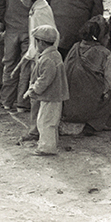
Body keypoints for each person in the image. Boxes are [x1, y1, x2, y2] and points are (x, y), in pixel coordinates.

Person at [63, 16, 111, 132]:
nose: (108, 37)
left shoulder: (75, 47)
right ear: (100, 36)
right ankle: (104, 123)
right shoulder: (104, 53)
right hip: (88, 109)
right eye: (106, 35)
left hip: (67, 108)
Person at [11, 0, 58, 141]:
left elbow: (47, 37)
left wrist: (36, 58)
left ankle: (34, 131)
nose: (21, 1)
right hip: (38, 55)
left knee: (37, 95)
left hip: (42, 57)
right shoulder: (38, 7)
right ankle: (36, 129)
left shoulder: (40, 13)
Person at [23, 24, 69, 156]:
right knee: (50, 121)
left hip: (51, 96)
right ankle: (50, 145)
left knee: (45, 122)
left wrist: (34, 90)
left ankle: (46, 148)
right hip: (54, 96)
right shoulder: (54, 55)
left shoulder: (48, 59)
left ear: (41, 42)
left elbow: (45, 79)